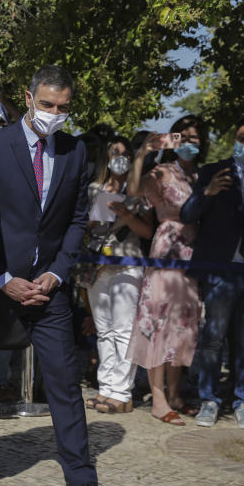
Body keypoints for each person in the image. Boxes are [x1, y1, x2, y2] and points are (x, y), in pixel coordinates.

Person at [0, 65, 122, 486]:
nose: (55, 114)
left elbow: (76, 219)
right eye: (47, 105)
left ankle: (83, 481)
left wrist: (57, 275)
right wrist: (2, 278)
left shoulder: (76, 151)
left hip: (48, 289)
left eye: (63, 107)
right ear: (28, 97)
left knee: (64, 381)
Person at [181, 113, 244, 429]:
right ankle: (209, 400)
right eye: (241, 140)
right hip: (222, 270)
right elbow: (187, 214)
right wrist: (207, 192)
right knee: (213, 337)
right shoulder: (214, 171)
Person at [126, 115, 207, 425]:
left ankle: (175, 393)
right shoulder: (162, 172)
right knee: (158, 323)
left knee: (184, 325)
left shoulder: (201, 177)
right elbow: (133, 190)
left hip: (193, 255)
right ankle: (158, 397)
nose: (189, 142)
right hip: (166, 248)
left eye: (195, 138)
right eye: (183, 136)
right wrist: (142, 155)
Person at [83, 137, 153, 413]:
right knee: (104, 330)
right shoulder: (93, 188)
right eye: (115, 152)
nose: (119, 158)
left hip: (128, 264)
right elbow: (82, 225)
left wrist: (126, 212)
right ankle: (106, 389)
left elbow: (148, 232)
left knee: (124, 330)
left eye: (125, 154)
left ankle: (122, 393)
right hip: (97, 265)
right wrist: (96, 212)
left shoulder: (140, 192)